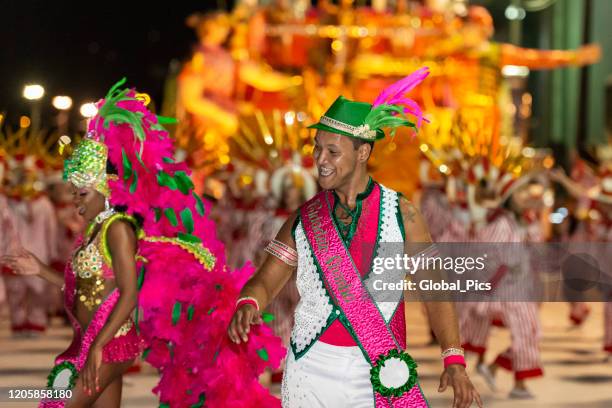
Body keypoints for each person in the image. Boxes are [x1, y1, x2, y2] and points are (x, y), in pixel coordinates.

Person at [2, 80, 284, 407]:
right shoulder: (91, 231)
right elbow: (86, 287)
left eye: (82, 192)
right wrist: (39, 269)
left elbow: (128, 292)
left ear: (105, 187)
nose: (75, 199)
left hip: (108, 345)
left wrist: (98, 345)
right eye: (73, 191)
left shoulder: (117, 228)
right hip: (86, 342)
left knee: (56, 402)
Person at [228, 67, 482, 408]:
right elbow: (265, 282)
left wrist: (453, 360)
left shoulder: (402, 214)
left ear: (362, 153)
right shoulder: (304, 218)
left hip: (377, 373)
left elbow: (434, 290)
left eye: (332, 152)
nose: (320, 160)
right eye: (317, 149)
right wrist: (248, 304)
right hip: (310, 369)